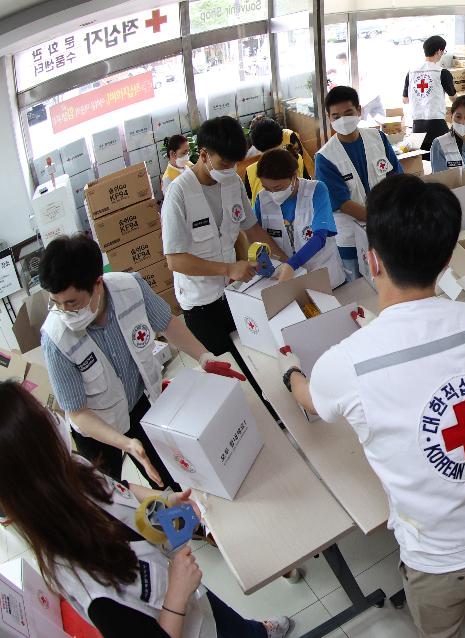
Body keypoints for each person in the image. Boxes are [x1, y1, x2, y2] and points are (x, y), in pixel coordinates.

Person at [278, 174, 465, 638]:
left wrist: (290, 372)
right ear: (448, 259)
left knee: (437, 622)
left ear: (372, 261)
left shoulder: (348, 363)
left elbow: (312, 400)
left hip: (440, 557)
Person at [0, 381, 291, 638]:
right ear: (33, 460)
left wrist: (165, 499)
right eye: (42, 418)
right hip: (178, 609)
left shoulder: (70, 468)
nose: (53, 419)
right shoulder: (85, 581)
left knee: (226, 621)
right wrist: (176, 593)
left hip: (185, 587)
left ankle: (253, 632)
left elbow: (117, 489)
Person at [38, 235, 244, 490]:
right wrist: (126, 443)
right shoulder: (56, 339)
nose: (65, 311)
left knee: (168, 478)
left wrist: (204, 356)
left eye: (72, 302)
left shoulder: (130, 288)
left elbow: (167, 323)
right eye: (56, 303)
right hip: (96, 427)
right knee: (113, 495)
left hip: (139, 400)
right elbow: (78, 412)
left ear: (97, 283)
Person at [161, 116, 281, 362]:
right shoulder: (179, 193)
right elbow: (175, 261)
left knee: (256, 358)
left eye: (234, 163)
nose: (230, 169)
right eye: (224, 163)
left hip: (233, 292)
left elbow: (253, 228)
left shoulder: (232, 182)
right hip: (200, 303)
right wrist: (228, 268)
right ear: (204, 154)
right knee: (230, 365)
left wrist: (288, 261)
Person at [315, 86, 403, 281]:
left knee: (389, 281)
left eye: (348, 113)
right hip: (351, 238)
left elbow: (396, 178)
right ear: (329, 118)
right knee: (359, 289)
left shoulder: (378, 138)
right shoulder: (325, 158)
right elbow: (342, 203)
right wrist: (381, 219)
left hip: (386, 229)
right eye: (336, 116)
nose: (343, 120)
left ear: (359, 110)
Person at [253, 148, 344, 286]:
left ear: (294, 176)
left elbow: (320, 237)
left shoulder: (317, 190)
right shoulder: (262, 199)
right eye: (267, 188)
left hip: (322, 273)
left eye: (277, 188)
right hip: (285, 277)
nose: (272, 193)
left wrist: (291, 265)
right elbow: (256, 235)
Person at [403, 35, 457, 155]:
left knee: (422, 162)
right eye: (443, 52)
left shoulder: (411, 72)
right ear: (439, 51)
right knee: (443, 159)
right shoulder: (442, 72)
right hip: (437, 125)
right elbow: (453, 98)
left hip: (417, 126)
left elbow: (405, 99)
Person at [245, 117, 310, 200]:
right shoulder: (297, 159)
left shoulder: (250, 171)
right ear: (281, 136)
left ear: (255, 145)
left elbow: (250, 201)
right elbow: (307, 186)